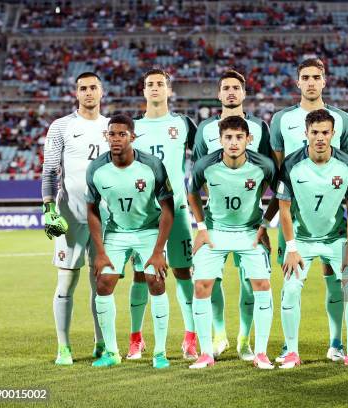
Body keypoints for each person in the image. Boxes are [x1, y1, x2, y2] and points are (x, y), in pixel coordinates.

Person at [270, 58, 348, 363]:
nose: (310, 82)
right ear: (297, 82)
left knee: (335, 278)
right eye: (304, 77)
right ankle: (288, 346)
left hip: (332, 218)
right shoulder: (282, 119)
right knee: (291, 281)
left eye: (315, 77)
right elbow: (279, 167)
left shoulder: (342, 119)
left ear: (324, 81)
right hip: (296, 217)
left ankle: (337, 343)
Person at [191, 69, 272, 360]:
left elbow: (264, 169)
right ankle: (220, 334)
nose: (230, 92)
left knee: (251, 282)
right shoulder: (204, 130)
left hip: (249, 220)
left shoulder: (260, 127)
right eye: (225, 87)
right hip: (215, 221)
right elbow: (200, 172)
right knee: (212, 281)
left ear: (244, 93)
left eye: (236, 87)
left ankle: (244, 339)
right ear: (218, 93)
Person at [86, 114, 175, 368]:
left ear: (132, 137)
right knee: (103, 283)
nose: (116, 139)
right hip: (116, 232)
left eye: (122, 134)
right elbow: (91, 210)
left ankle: (160, 353)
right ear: (107, 137)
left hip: (148, 230)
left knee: (155, 282)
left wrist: (158, 251)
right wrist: (100, 252)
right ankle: (112, 353)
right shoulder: (96, 169)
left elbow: (168, 209)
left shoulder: (152, 165)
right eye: (111, 134)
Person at [128, 69, 198, 360]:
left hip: (178, 209)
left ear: (169, 90)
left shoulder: (183, 124)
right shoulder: (131, 126)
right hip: (144, 214)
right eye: (149, 84)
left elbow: (204, 159)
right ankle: (136, 338)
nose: (155, 88)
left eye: (160, 84)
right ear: (143, 91)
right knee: (140, 274)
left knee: (183, 271)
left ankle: (191, 338)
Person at [41, 72, 109, 365]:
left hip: (103, 216)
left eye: (93, 87)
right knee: (66, 282)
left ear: (101, 91)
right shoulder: (61, 126)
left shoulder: (111, 127)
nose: (88, 93)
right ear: (76, 93)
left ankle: (101, 343)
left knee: (101, 284)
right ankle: (63, 347)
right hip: (69, 215)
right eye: (83, 88)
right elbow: (49, 171)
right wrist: (48, 208)